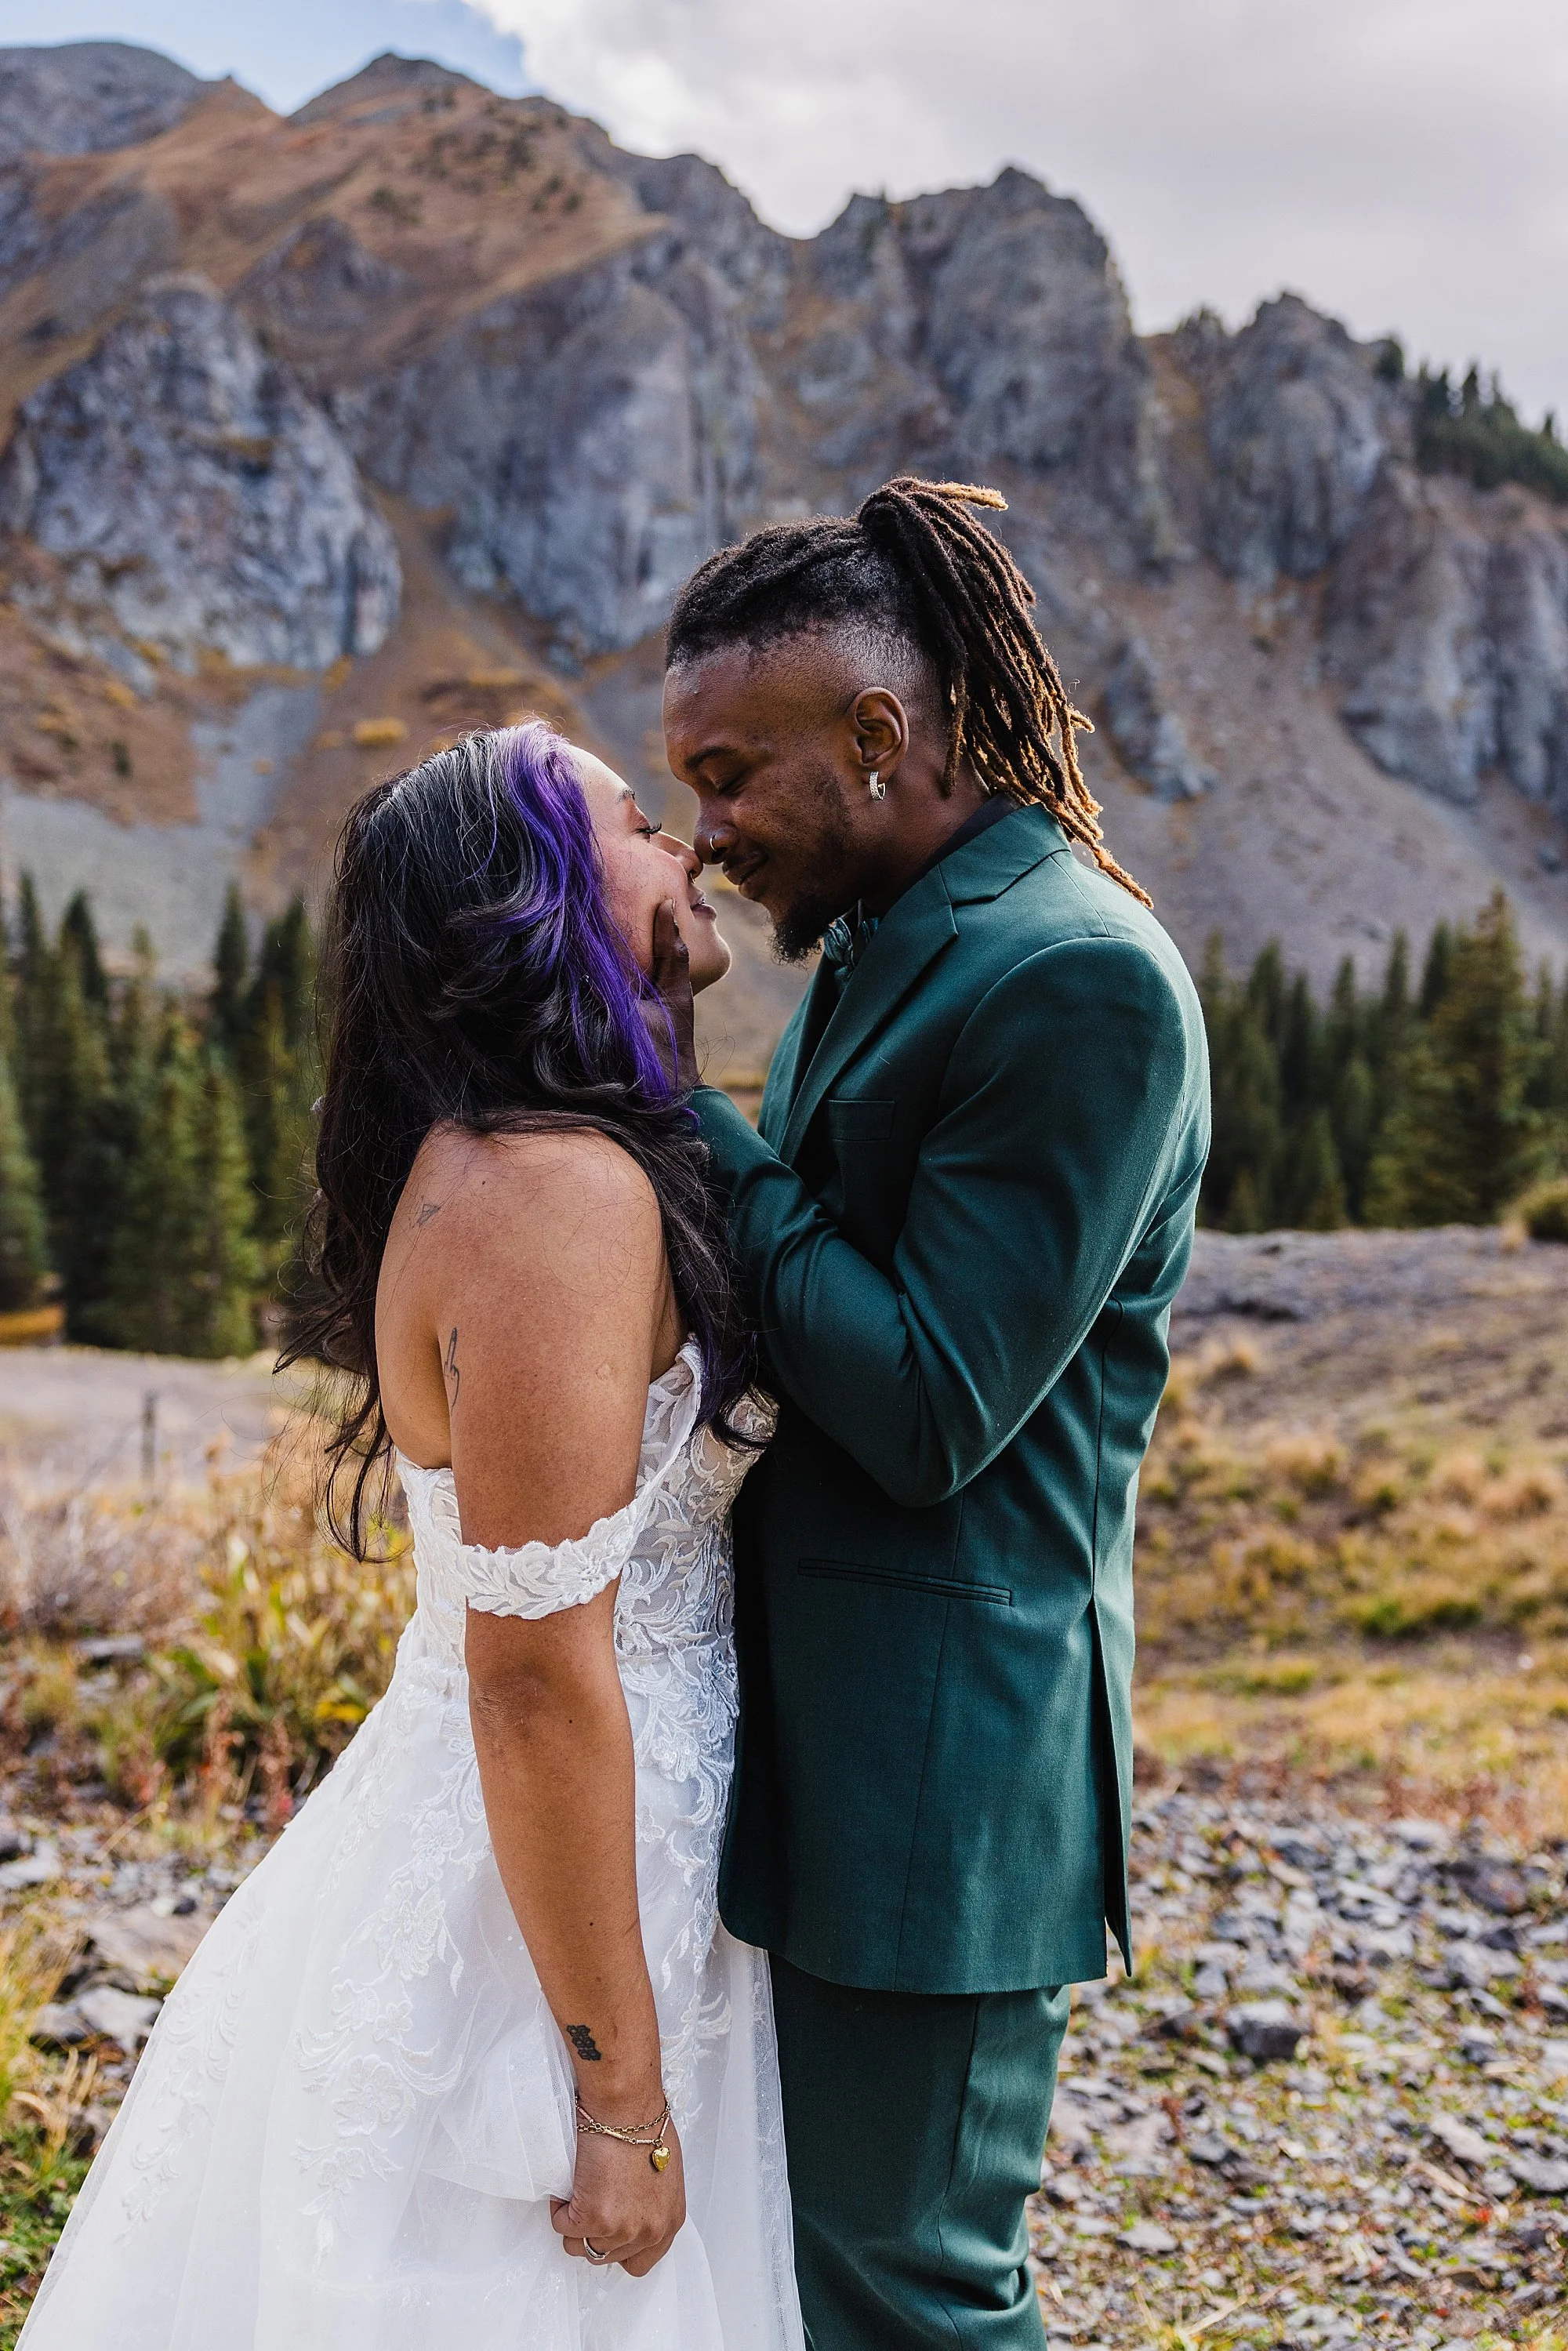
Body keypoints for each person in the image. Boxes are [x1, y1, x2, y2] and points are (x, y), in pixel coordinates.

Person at [19, 723, 804, 2351]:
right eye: (637, 824)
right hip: (533, 1915)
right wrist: (618, 2096)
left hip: (609, 1865)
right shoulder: (545, 1190)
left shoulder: (552, 1162)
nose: (689, 845)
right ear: (539, 898)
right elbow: (530, 1673)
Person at [655, 477, 1211, 2350]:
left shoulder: (1073, 977)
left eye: (728, 775)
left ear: (879, 733)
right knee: (823, 2269)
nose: (705, 832)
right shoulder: (894, 935)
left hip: (943, 1770)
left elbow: (926, 1406)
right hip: (840, 1743)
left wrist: (686, 1116)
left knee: (914, 2291)